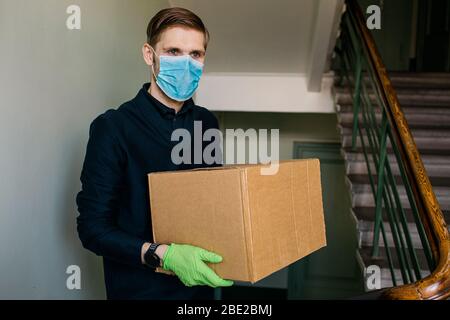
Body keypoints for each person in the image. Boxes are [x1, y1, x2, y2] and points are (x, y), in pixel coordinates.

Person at [76, 7, 233, 300]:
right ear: (150, 55)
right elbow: (92, 228)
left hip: (198, 289)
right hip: (139, 290)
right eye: (174, 51)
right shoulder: (113, 127)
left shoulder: (207, 123)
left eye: (195, 54)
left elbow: (212, 200)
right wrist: (163, 255)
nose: (186, 63)